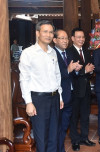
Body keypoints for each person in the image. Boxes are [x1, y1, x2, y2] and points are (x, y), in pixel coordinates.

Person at [19, 20, 63, 152]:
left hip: (54, 98)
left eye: (51, 32)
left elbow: (57, 75)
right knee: (41, 137)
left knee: (54, 135)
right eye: (45, 31)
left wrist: (60, 96)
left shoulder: (53, 52)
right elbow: (24, 79)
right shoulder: (28, 53)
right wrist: (29, 102)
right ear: (37, 33)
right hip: (38, 100)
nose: (49, 35)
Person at [53, 29, 82, 152]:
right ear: (54, 40)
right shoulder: (52, 54)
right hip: (58, 97)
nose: (65, 41)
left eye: (66, 38)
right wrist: (68, 70)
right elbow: (54, 76)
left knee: (64, 127)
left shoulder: (68, 54)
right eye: (62, 38)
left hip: (69, 96)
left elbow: (72, 76)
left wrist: (76, 70)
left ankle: (61, 148)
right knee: (57, 128)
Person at [67, 28, 95, 151]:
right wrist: (85, 71)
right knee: (74, 117)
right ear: (72, 38)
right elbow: (69, 73)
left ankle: (84, 137)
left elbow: (89, 70)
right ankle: (75, 140)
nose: (81, 39)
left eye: (83, 37)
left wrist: (89, 71)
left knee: (85, 115)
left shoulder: (86, 51)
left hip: (86, 89)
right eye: (78, 37)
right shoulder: (68, 52)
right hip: (74, 90)